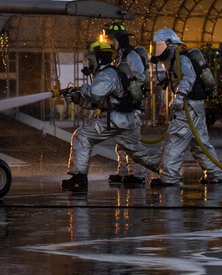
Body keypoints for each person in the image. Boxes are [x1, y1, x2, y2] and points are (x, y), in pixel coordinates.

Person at [60, 40, 161, 191]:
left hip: (114, 119)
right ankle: (165, 166)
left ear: (99, 59)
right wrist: (76, 98)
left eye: (90, 59)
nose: (89, 64)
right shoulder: (108, 74)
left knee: (82, 136)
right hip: (124, 119)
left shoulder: (107, 74)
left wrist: (81, 89)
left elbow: (94, 94)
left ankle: (79, 177)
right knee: (135, 150)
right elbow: (96, 103)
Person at [148, 28, 222, 187]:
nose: (157, 51)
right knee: (199, 143)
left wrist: (179, 96)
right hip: (195, 106)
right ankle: (214, 174)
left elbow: (189, 77)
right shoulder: (172, 62)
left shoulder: (180, 60)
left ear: (169, 45)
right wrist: (165, 80)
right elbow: (178, 76)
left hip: (187, 107)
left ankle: (169, 178)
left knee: (174, 140)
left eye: (159, 46)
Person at [104, 22, 148, 186]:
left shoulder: (132, 56)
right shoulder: (120, 56)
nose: (109, 43)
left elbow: (138, 78)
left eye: (110, 39)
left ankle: (137, 174)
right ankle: (123, 172)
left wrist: (127, 97)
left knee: (131, 142)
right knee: (121, 142)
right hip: (122, 105)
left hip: (130, 106)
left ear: (119, 39)